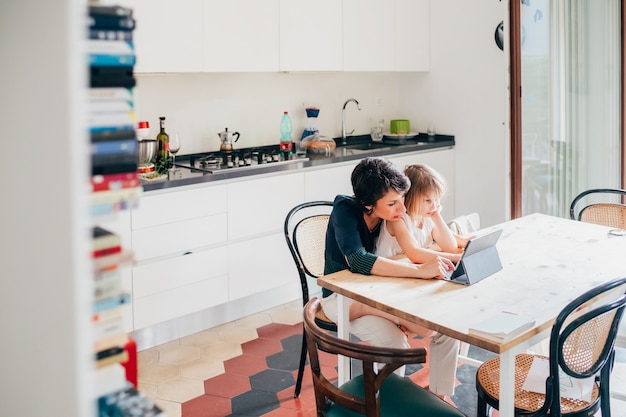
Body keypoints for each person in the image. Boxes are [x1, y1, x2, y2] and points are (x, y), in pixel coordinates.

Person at [321, 157, 459, 398]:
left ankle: (441, 399)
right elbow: (358, 260)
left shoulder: (389, 218)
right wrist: (418, 271)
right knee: (399, 342)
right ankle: (389, 406)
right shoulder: (345, 210)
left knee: (446, 329)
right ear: (367, 204)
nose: (402, 209)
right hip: (340, 298)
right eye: (393, 203)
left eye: (402, 199)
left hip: (377, 291)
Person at [375, 163, 470, 265]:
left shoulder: (426, 217)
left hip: (409, 268)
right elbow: (414, 253)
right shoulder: (398, 220)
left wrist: (436, 216)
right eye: (428, 200)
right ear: (410, 197)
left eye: (437, 200)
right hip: (388, 272)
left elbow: (450, 247)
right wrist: (454, 258)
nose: (434, 206)